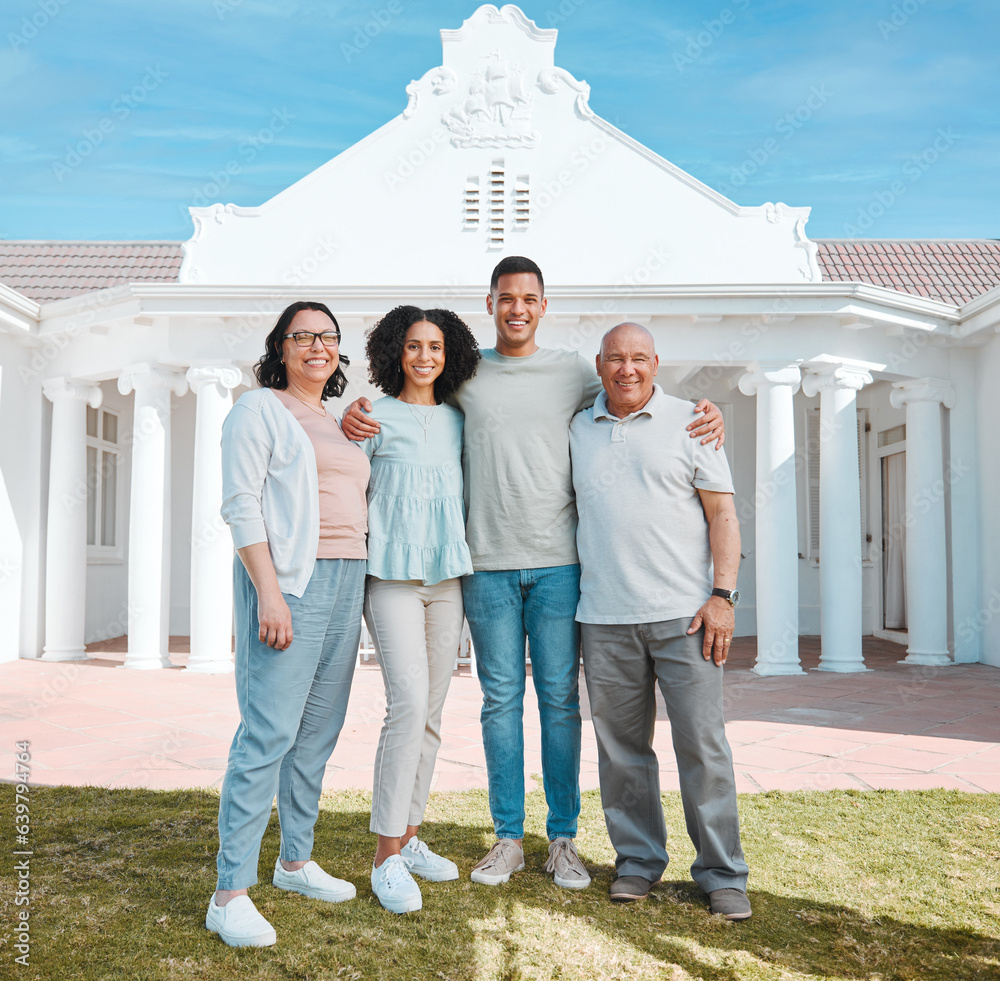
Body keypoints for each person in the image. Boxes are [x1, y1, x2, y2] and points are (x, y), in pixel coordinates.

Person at [342, 257, 725, 890]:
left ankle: (563, 839)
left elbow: (632, 390)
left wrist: (698, 410)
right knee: (499, 704)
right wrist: (361, 412)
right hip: (485, 566)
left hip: (559, 567)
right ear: (489, 303)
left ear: (543, 305)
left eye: (529, 298)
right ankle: (508, 838)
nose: (517, 308)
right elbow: (417, 403)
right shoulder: (465, 375)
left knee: (559, 704)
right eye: (505, 298)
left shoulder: (575, 371)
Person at [569, 322, 750, 919]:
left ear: (656, 362)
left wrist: (723, 595)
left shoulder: (692, 422)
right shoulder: (576, 425)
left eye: (639, 359)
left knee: (701, 745)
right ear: (599, 365)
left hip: (686, 617)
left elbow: (723, 515)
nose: (628, 369)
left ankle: (723, 873)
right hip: (604, 616)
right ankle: (638, 862)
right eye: (616, 359)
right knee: (622, 752)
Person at [207, 301, 370, 947]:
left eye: (327, 337)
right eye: (301, 336)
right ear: (280, 347)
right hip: (292, 584)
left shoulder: (334, 419)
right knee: (267, 735)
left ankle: (295, 860)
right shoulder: (258, 409)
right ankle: (230, 893)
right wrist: (268, 594)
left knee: (316, 734)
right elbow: (241, 502)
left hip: (348, 579)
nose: (315, 346)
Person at [359, 305, 481, 914]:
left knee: (432, 709)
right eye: (413, 346)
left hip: (446, 577)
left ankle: (408, 837)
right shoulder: (370, 416)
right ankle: (383, 857)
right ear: (394, 352)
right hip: (390, 578)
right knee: (405, 704)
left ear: (448, 353)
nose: (425, 357)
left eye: (435, 346)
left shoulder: (462, 419)